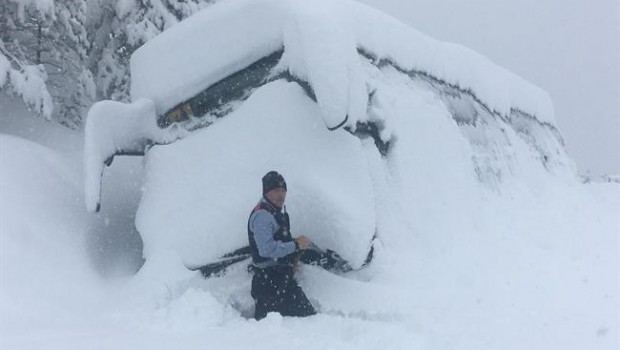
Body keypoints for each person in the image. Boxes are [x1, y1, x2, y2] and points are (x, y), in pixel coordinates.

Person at [247, 171, 317, 320]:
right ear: (266, 192)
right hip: (267, 283)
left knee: (308, 320)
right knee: (270, 332)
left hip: (281, 279)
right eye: (276, 191)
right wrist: (296, 245)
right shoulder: (262, 216)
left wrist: (291, 259)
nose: (281, 195)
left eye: (283, 191)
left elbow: (280, 239)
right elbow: (267, 249)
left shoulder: (276, 212)